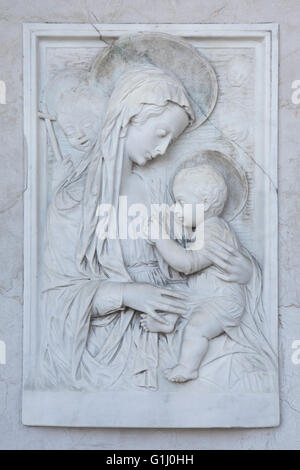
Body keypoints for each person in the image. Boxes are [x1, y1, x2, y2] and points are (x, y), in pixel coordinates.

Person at [41, 65, 257, 392]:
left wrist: (244, 270)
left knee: (246, 373)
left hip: (172, 325)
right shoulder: (72, 201)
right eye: (161, 133)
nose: (165, 149)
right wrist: (128, 294)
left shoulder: (159, 189)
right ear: (129, 118)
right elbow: (56, 298)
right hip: (111, 342)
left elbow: (190, 259)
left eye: (173, 140)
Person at [142, 164, 246, 383]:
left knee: (197, 327)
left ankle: (188, 367)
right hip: (203, 295)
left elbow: (188, 264)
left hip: (223, 301)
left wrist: (160, 238)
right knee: (174, 299)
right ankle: (168, 323)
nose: (175, 209)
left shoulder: (214, 230)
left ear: (205, 203)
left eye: (180, 202)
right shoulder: (204, 228)